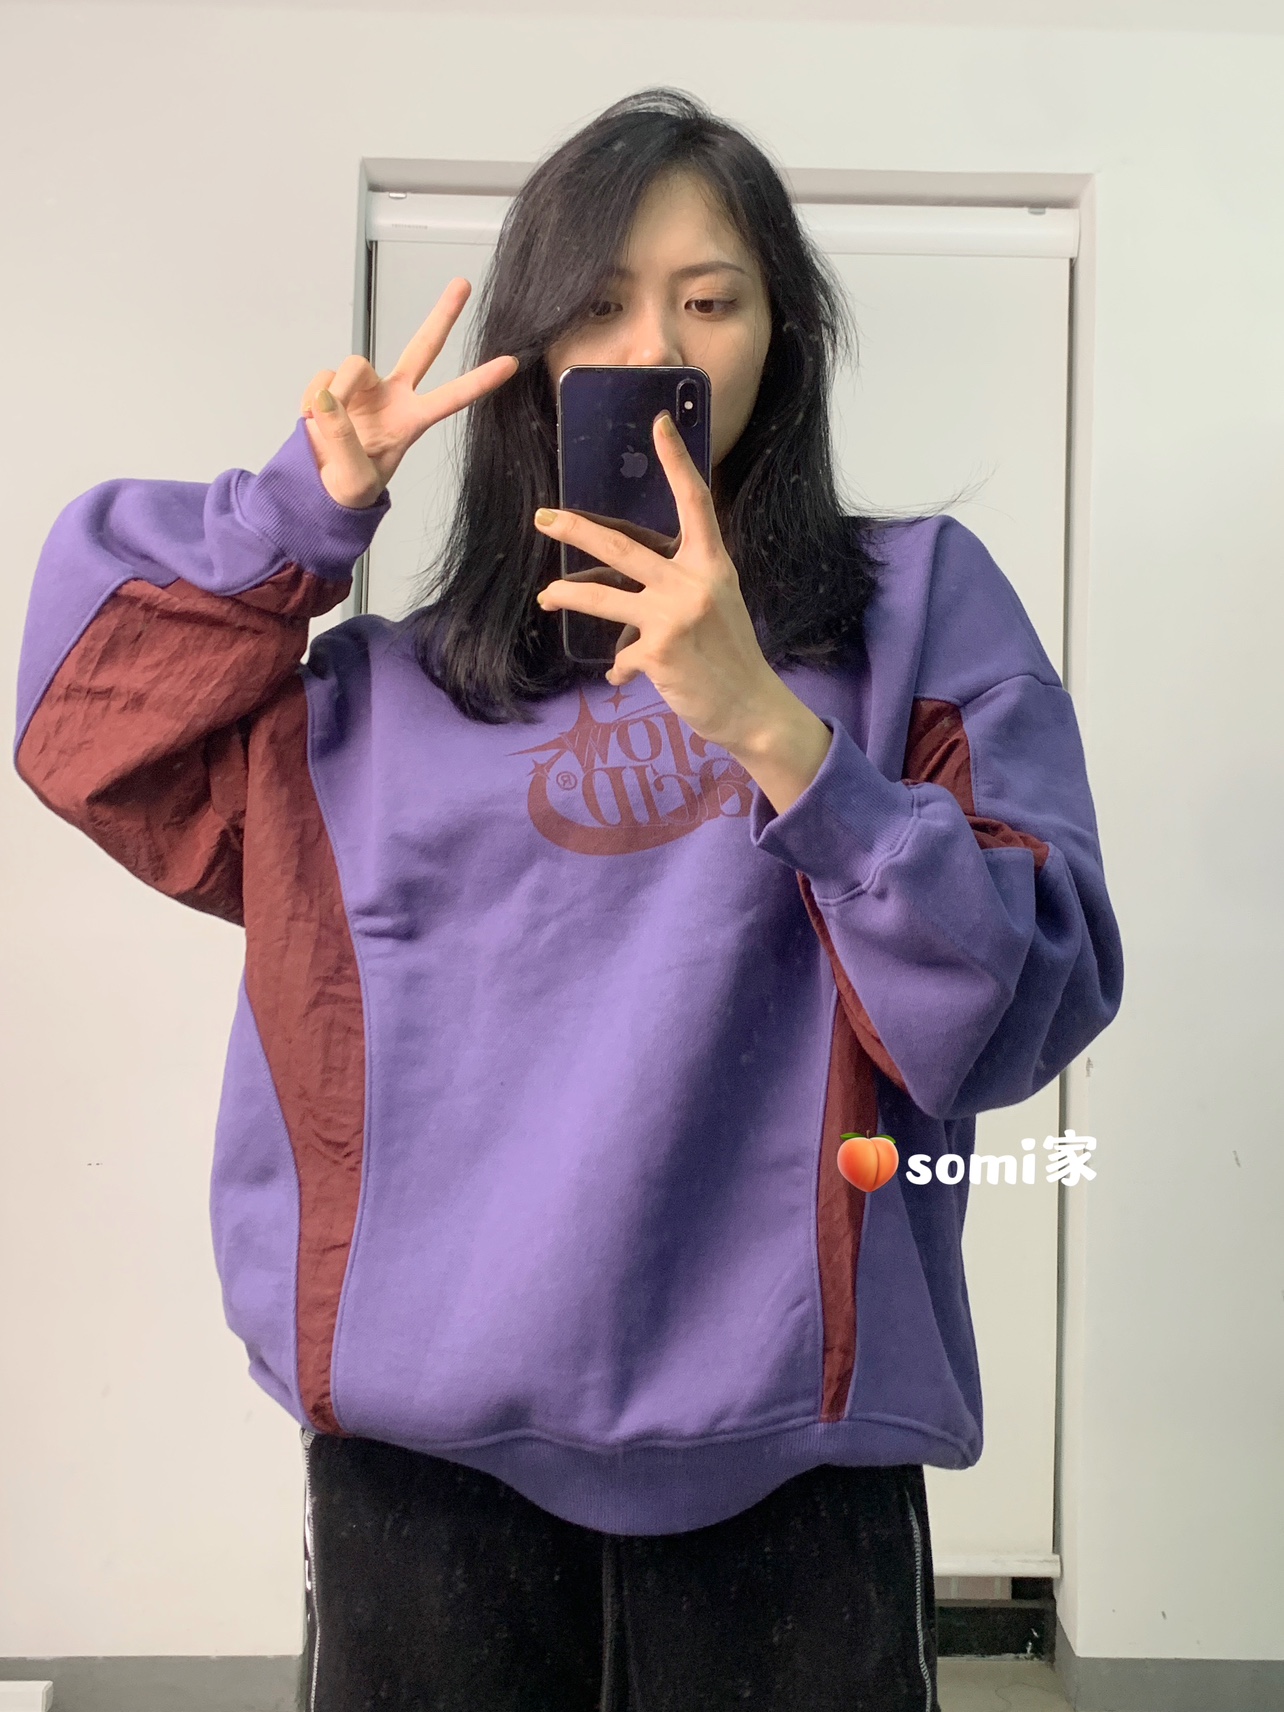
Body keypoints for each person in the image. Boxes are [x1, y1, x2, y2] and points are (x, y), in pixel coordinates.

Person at [13, 88, 1123, 1712]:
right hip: (424, 1474)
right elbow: (81, 725)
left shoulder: (913, 614)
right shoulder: (376, 702)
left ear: (782, 339)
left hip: (797, 1461)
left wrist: (780, 735)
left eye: (710, 300)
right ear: (527, 350)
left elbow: (1031, 997)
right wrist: (294, 517)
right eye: (597, 305)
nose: (653, 347)